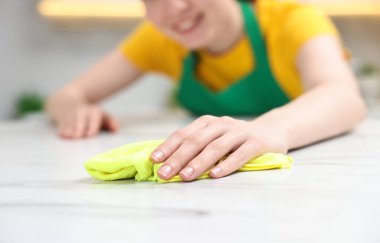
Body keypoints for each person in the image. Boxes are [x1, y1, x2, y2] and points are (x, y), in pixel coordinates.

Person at [45, 0, 367, 182]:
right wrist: (76, 109)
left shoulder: (292, 20)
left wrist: (266, 130)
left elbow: (342, 95)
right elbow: (65, 96)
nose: (175, 7)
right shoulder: (160, 38)